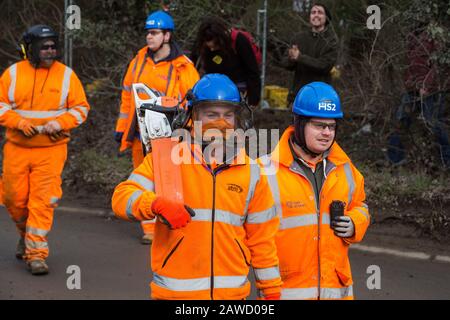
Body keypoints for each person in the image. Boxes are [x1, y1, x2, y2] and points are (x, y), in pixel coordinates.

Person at [112, 74, 282, 300]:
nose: (220, 123)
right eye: (211, 114)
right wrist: (154, 204)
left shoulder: (251, 172)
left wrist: (270, 290)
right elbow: (122, 199)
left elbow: (262, 240)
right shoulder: (167, 160)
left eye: (227, 115)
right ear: (193, 116)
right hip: (175, 295)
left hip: (231, 298)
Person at [259, 82, 370, 299]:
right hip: (285, 292)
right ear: (299, 124)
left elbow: (361, 206)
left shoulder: (345, 169)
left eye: (332, 126)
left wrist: (355, 223)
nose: (327, 133)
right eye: (319, 125)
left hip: (335, 293)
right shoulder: (264, 172)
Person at [0, 24, 90, 275]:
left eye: (53, 47)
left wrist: (59, 123)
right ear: (30, 49)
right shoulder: (13, 74)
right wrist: (18, 122)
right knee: (13, 199)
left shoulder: (66, 75)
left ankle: (36, 254)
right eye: (45, 47)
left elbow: (81, 108)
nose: (50, 51)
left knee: (42, 202)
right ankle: (25, 235)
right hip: (17, 149)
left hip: (51, 150)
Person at [114, 10, 199, 245]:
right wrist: (122, 128)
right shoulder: (139, 60)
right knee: (142, 179)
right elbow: (127, 96)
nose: (149, 38)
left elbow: (193, 105)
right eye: (147, 33)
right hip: (140, 134)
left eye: (154, 33)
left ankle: (169, 217)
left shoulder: (183, 67)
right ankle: (149, 228)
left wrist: (188, 135)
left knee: (166, 179)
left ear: (167, 36)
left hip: (169, 137)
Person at [387, 25, 449, 168]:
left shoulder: (435, 35)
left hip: (432, 90)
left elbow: (439, 64)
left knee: (434, 124)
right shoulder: (411, 36)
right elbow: (410, 64)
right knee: (401, 120)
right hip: (412, 89)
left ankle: (447, 161)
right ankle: (394, 160)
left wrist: (426, 85)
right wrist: (410, 83)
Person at [190, 17, 261, 108]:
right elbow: (191, 68)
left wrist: (253, 101)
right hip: (212, 90)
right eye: (209, 47)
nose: (211, 49)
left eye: (215, 46)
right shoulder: (202, 43)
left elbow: (253, 71)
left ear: (221, 40)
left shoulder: (239, 41)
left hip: (237, 90)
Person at [283, 3, 338, 106]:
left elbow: (324, 66)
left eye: (320, 12)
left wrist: (300, 57)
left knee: (319, 122)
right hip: (298, 95)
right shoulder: (298, 38)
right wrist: (291, 58)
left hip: (321, 97)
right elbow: (286, 64)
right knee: (295, 123)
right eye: (313, 12)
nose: (316, 15)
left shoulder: (331, 41)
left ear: (326, 18)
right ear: (310, 17)